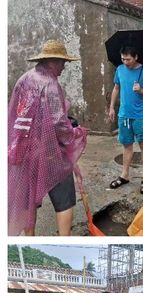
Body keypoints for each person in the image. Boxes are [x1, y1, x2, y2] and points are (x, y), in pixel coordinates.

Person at [8, 39, 88, 236]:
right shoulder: (50, 85)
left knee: (27, 200)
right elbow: (59, 123)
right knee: (65, 198)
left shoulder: (24, 79)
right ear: (52, 61)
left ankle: (29, 238)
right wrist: (75, 133)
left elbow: (15, 113)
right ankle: (64, 238)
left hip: (25, 151)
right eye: (62, 63)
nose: (63, 67)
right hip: (50, 153)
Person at [108, 45, 143, 194]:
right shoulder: (120, 70)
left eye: (128, 59)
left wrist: (141, 90)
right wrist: (111, 107)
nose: (125, 62)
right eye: (122, 58)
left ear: (136, 57)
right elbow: (116, 88)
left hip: (139, 115)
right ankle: (124, 175)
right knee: (126, 145)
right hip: (124, 114)